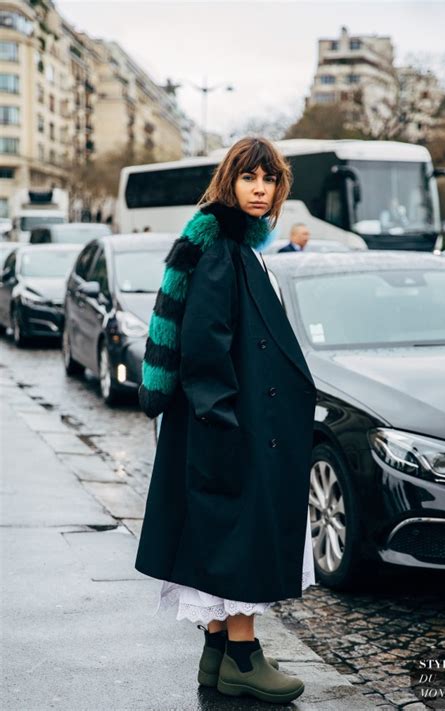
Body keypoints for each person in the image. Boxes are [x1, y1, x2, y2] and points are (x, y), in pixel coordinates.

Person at [135, 137, 317, 704]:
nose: (260, 189)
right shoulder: (223, 252)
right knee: (242, 539)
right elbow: (206, 344)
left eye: (269, 180)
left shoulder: (237, 245)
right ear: (229, 183)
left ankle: (217, 657)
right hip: (229, 424)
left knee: (219, 538)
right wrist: (223, 421)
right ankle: (244, 656)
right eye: (249, 178)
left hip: (227, 421)